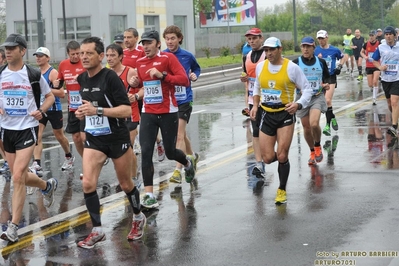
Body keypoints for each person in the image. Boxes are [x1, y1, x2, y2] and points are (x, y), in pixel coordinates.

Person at [74, 36, 146, 248]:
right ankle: (97, 230)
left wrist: (97, 111)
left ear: (101, 56)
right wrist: (82, 113)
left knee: (125, 184)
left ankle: (138, 216)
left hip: (116, 138)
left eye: (89, 53)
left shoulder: (110, 78)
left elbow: (125, 110)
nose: (84, 57)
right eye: (82, 53)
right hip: (95, 138)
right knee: (87, 183)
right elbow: (88, 105)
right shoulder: (82, 79)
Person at [0, 33, 57, 243]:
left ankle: (13, 226)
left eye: (12, 48)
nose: (7, 51)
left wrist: (41, 110)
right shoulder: (1, 74)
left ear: (22, 51)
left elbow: (50, 96)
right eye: (6, 48)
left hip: (27, 129)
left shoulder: (33, 74)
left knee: (16, 177)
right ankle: (46, 186)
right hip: (7, 130)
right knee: (20, 176)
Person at [130, 30, 196, 209]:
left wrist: (163, 76)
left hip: (168, 112)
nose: (145, 46)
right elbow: (143, 87)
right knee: (146, 152)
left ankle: (188, 162)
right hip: (148, 113)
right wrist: (136, 86)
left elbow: (183, 80)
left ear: (158, 44)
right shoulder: (140, 62)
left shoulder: (168, 59)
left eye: (149, 43)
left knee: (170, 152)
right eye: (143, 43)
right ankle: (149, 195)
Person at [250, 37, 312, 205]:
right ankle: (283, 161)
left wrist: (298, 104)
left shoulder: (292, 68)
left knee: (282, 154)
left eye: (272, 50)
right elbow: (257, 87)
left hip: (285, 114)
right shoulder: (261, 66)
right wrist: (255, 105)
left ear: (280, 49)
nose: (268, 53)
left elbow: (307, 89)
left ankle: (282, 189)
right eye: (266, 50)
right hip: (267, 114)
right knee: (268, 158)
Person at [163, 25, 201, 183]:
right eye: (167, 38)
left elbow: (197, 69)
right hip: (169, 101)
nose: (170, 41)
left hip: (184, 99)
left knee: (178, 135)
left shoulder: (187, 55)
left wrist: (194, 75)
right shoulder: (162, 56)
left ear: (179, 38)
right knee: (182, 133)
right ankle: (192, 156)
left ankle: (178, 170)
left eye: (173, 38)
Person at [31, 47, 75, 175]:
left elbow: (61, 93)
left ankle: (68, 156)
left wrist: (45, 90)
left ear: (48, 58)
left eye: (41, 56)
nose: (38, 58)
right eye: (36, 56)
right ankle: (37, 163)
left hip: (54, 109)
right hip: (42, 108)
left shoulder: (52, 72)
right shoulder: (36, 73)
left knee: (59, 135)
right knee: (37, 135)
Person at [123, 27, 165, 160]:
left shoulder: (142, 51)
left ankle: (158, 142)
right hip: (128, 94)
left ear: (136, 39)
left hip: (143, 91)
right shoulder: (122, 53)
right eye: (125, 38)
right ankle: (135, 144)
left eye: (129, 37)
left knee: (144, 121)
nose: (126, 40)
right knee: (132, 122)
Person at [105, 43, 141, 185]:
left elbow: (144, 89)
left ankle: (134, 177)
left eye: (113, 55)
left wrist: (136, 95)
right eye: (107, 55)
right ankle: (124, 176)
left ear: (121, 57)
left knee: (129, 148)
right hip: (115, 116)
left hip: (130, 114)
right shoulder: (106, 74)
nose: (109, 58)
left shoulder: (130, 72)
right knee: (119, 149)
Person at [293, 37, 330, 165]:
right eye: (303, 46)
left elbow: (326, 78)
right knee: (306, 127)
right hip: (302, 98)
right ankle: (312, 151)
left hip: (316, 96)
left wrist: (325, 85)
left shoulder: (320, 62)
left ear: (314, 48)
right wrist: (299, 88)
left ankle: (318, 145)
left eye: (308, 46)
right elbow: (290, 80)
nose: (305, 49)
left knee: (314, 124)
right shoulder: (296, 63)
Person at [53, 41, 86, 168]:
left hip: (86, 104)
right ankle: (86, 161)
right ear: (68, 54)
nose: (76, 56)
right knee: (76, 137)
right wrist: (57, 84)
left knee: (85, 136)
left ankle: (95, 156)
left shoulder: (85, 63)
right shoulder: (63, 64)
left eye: (78, 53)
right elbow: (60, 80)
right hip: (73, 106)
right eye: (73, 54)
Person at [239, 27, 267, 178]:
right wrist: (244, 78)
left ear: (261, 38)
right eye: (249, 39)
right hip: (253, 100)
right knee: (255, 131)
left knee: (266, 132)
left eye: (254, 38)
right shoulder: (247, 56)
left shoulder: (267, 54)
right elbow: (245, 74)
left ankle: (268, 156)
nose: (252, 41)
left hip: (269, 99)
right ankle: (259, 163)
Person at [315, 30, 344, 136]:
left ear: (327, 38)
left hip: (331, 77)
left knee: (327, 100)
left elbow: (343, 57)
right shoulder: (315, 50)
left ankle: (327, 126)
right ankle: (333, 118)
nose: (321, 41)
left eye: (322, 38)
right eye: (319, 39)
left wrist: (339, 66)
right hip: (320, 78)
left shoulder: (334, 50)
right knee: (324, 103)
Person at [372, 26, 399, 139]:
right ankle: (395, 117)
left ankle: (394, 126)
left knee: (394, 102)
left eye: (390, 34)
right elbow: (373, 60)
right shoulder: (381, 47)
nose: (388, 36)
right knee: (389, 104)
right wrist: (380, 67)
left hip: (397, 78)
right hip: (385, 79)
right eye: (386, 34)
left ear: (394, 35)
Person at [360, 30, 380, 105]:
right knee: (370, 84)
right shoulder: (366, 44)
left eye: (372, 35)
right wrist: (365, 56)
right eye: (370, 35)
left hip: (377, 65)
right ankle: (374, 89)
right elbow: (361, 52)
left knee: (375, 81)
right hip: (369, 65)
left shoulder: (379, 44)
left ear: (375, 36)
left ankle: (374, 98)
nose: (371, 37)